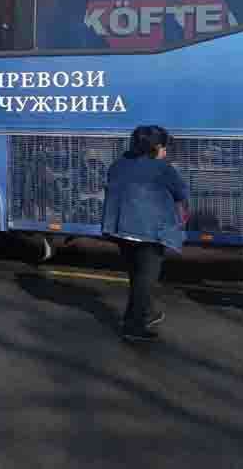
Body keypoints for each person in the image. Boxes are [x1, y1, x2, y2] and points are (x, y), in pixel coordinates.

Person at [102, 125, 189, 343]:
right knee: (145, 280)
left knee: (137, 275)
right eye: (164, 147)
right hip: (149, 233)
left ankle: (147, 313)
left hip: (121, 230)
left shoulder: (118, 164)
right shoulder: (163, 169)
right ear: (157, 148)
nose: (166, 152)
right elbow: (181, 193)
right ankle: (133, 326)